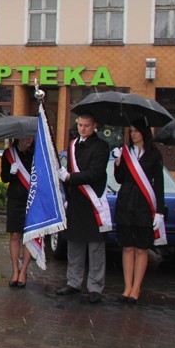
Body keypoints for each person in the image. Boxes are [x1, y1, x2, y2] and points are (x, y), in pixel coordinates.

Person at [56, 112, 110, 304]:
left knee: (95, 247)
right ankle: (73, 282)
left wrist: (70, 177)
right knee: (75, 244)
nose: (82, 129)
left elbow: (95, 173)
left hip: (93, 202)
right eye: (80, 125)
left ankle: (95, 287)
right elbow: (69, 173)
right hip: (77, 201)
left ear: (94, 125)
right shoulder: (72, 145)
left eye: (86, 125)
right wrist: (67, 190)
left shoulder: (101, 147)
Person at [113, 120, 166, 304]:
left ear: (144, 132)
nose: (133, 134)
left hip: (144, 205)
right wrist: (118, 163)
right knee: (127, 247)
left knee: (141, 248)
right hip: (126, 203)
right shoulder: (125, 152)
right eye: (131, 131)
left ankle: (136, 288)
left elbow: (159, 184)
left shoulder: (154, 154)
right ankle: (127, 287)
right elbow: (119, 179)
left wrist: (159, 211)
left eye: (137, 131)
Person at [1, 136, 35, 287]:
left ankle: (24, 271)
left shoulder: (36, 154)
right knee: (15, 234)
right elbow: (4, 178)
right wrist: (12, 172)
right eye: (25, 137)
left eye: (30, 137)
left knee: (28, 236)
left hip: (31, 199)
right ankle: (15, 269)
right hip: (15, 199)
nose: (28, 140)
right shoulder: (9, 153)